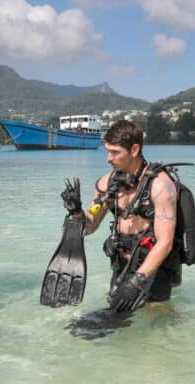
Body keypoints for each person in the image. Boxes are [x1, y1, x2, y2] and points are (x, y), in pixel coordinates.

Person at [64, 120, 179, 312]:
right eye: (107, 151)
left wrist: (138, 281)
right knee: (110, 327)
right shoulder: (107, 184)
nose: (108, 158)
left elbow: (165, 242)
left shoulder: (160, 186)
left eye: (115, 152)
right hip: (121, 268)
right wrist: (76, 212)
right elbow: (90, 226)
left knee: (155, 326)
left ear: (134, 150)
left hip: (154, 271)